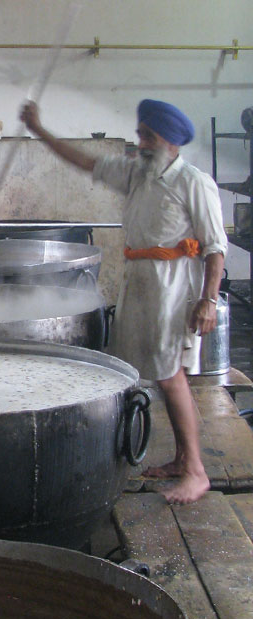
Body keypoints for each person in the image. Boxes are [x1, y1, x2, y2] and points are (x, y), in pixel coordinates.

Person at [20, 98, 228, 505]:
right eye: (140, 133)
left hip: (173, 290)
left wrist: (208, 300)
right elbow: (84, 161)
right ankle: (182, 459)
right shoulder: (138, 175)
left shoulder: (194, 182)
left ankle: (196, 472)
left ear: (170, 141)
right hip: (142, 284)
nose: (141, 141)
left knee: (171, 376)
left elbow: (216, 248)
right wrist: (40, 131)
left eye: (148, 135)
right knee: (163, 375)